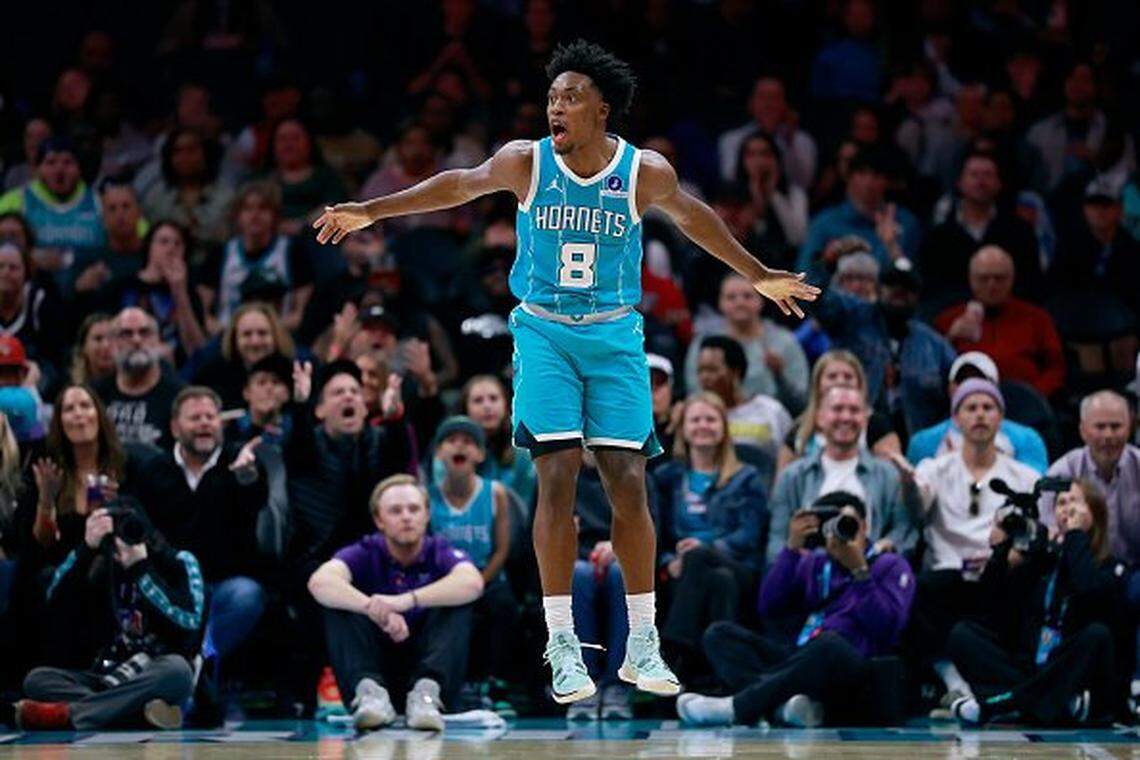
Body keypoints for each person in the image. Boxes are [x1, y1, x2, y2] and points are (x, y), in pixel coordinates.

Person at [314, 39, 818, 704]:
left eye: (571, 96)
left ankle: (643, 641)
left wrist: (758, 276)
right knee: (557, 475)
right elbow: (456, 184)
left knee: (628, 482)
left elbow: (698, 221)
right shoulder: (525, 162)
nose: (557, 105)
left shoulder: (644, 172)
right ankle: (562, 641)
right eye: (552, 95)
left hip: (614, 333)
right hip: (544, 330)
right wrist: (371, 210)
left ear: (602, 110)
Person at [677, 491, 915, 728]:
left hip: (853, 666)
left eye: (847, 523)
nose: (839, 532)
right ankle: (784, 709)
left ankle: (737, 708)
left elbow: (888, 626)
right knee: (720, 635)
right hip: (801, 657)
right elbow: (768, 606)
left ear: (863, 527)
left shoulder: (890, 564)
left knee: (829, 644)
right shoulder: (816, 562)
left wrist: (860, 572)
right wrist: (791, 548)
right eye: (830, 525)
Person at [307, 474, 484, 731]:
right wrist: (374, 608)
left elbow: (472, 582)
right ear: (379, 520)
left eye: (414, 509)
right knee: (339, 602)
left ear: (426, 515)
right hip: (375, 666)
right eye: (395, 510)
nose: (406, 517)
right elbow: (320, 582)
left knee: (457, 600)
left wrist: (406, 601)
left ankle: (426, 695)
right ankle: (369, 694)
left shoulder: (439, 551)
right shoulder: (366, 550)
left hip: (430, 667)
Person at [11, 499, 202, 731]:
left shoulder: (179, 561)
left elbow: (189, 626)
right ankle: (137, 716)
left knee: (177, 670)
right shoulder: (99, 565)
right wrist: (86, 550)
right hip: (105, 675)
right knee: (37, 680)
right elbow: (53, 613)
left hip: (154, 673)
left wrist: (141, 570)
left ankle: (68, 715)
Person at [908, 378, 1039, 710]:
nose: (980, 415)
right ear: (956, 418)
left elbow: (1035, 532)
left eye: (988, 407)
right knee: (926, 585)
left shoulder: (1024, 477)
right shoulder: (934, 468)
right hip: (947, 575)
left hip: (997, 575)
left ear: (1000, 417)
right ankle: (952, 681)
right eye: (971, 408)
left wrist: (1009, 553)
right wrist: (906, 485)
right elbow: (916, 506)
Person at [947, 480, 1123, 726]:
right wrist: (1001, 549)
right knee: (962, 635)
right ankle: (1057, 703)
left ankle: (997, 705)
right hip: (1033, 666)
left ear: (1095, 513)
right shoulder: (1047, 558)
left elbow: (1088, 588)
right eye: (1061, 503)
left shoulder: (1111, 566)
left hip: (1072, 664)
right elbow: (991, 606)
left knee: (1097, 635)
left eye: (1075, 502)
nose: (1066, 509)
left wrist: (1074, 536)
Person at [134, 387, 269, 682]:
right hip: (174, 589)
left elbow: (255, 501)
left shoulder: (241, 461)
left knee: (248, 595)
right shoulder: (152, 470)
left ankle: (196, 662)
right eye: (195, 418)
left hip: (224, 585)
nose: (205, 423)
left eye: (210, 416)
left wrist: (247, 478)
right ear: (175, 427)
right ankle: (194, 673)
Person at [653, 392, 768, 677]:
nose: (703, 425)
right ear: (684, 429)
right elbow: (659, 534)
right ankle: (720, 673)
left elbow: (748, 536)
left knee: (705, 559)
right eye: (695, 419)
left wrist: (705, 548)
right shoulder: (667, 477)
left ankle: (671, 648)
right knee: (719, 581)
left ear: (723, 429)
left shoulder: (747, 477)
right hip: (686, 570)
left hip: (738, 564)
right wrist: (669, 561)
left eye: (711, 419)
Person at [767, 385, 915, 567]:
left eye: (854, 410)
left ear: (865, 419)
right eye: (837, 409)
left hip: (869, 570)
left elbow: (905, 530)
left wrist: (885, 547)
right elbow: (776, 540)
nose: (846, 417)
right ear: (820, 418)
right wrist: (792, 555)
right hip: (807, 575)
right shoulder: (792, 476)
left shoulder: (888, 475)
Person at [811, 256, 957, 437]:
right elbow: (813, 298)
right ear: (879, 289)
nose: (899, 291)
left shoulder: (934, 346)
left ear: (918, 296)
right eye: (892, 284)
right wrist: (825, 264)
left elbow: (960, 392)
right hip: (853, 435)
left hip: (916, 448)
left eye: (907, 287)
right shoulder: (852, 318)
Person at [427, 416, 515, 701]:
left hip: (485, 576)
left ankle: (492, 681)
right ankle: (450, 682)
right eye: (451, 441)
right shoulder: (426, 498)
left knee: (502, 604)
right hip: (444, 580)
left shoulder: (495, 493)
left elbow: (502, 549)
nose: (459, 446)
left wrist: (478, 581)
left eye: (467, 442)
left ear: (479, 453)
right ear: (439, 452)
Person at [934, 245, 1065, 400]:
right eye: (983, 279)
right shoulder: (948, 320)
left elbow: (1056, 368)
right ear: (971, 279)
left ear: (1012, 279)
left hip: (1027, 404)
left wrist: (1035, 396)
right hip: (969, 406)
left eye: (999, 278)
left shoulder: (1037, 318)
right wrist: (950, 338)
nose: (992, 285)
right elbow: (932, 372)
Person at [919, 151, 1043, 309]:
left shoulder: (1020, 232)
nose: (981, 181)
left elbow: (1032, 286)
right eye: (974, 175)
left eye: (988, 175)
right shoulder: (938, 237)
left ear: (999, 183)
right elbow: (932, 290)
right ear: (960, 182)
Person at [683, 273, 808, 414]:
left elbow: (801, 400)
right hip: (715, 418)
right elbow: (693, 391)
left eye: (748, 296)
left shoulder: (785, 342)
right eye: (731, 297)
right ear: (720, 303)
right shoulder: (704, 344)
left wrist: (780, 376)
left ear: (761, 300)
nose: (740, 303)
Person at [199, 181, 314, 333]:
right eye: (247, 209)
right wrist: (231, 334)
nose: (255, 215)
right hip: (227, 338)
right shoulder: (219, 254)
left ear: (274, 215)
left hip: (280, 336)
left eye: (263, 208)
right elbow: (202, 314)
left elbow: (301, 314)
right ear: (237, 216)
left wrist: (264, 332)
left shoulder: (293, 252)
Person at [907, 351, 1049, 473]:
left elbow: (1037, 493)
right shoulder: (923, 443)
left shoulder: (1027, 439)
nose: (971, 388)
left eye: (980, 380)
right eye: (963, 381)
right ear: (950, 388)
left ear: (996, 388)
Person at [798, 147, 922, 271]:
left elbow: (909, 276)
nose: (868, 183)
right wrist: (826, 261)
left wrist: (892, 247)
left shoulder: (905, 222)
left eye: (876, 175)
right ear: (849, 177)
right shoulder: (825, 223)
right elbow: (804, 277)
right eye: (862, 173)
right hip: (835, 289)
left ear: (887, 182)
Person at [779, 349, 901, 474]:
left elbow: (892, 480)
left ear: (859, 384)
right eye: (832, 377)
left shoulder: (877, 426)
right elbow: (783, 486)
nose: (840, 381)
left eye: (848, 377)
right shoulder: (798, 431)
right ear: (818, 384)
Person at [693, 335, 792, 484]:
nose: (704, 377)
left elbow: (790, 459)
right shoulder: (697, 416)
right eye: (701, 371)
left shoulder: (771, 411)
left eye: (712, 370)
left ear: (735, 372)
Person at [93, 307, 185, 452]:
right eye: (126, 334)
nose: (136, 340)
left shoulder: (180, 398)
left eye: (144, 333)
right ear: (111, 343)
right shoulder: (94, 396)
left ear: (158, 340)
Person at [0, 137, 105, 255]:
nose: (59, 170)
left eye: (67, 162)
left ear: (79, 168)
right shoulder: (13, 202)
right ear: (36, 169)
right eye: (51, 162)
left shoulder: (100, 202)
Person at [459, 374, 536, 507]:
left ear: (506, 405)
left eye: (493, 399)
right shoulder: (455, 449)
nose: (487, 406)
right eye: (478, 400)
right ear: (466, 409)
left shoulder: (524, 450)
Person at [69, 313, 116, 386]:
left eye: (111, 337)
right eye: (98, 339)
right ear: (83, 347)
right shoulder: (68, 388)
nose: (106, 345)